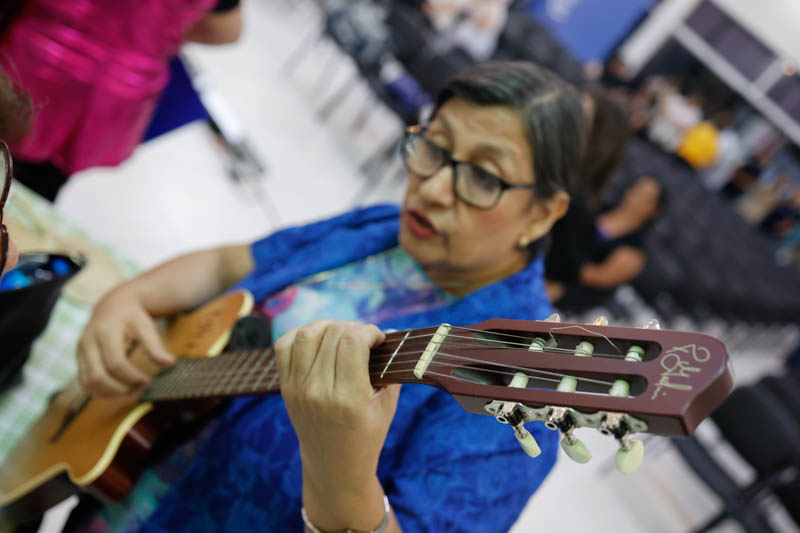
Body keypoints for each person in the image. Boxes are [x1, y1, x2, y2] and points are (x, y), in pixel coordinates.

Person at [71, 61, 584, 532]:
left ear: (541, 213)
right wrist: (128, 299)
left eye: (482, 175)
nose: (430, 189)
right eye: (434, 147)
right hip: (114, 495)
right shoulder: (381, 229)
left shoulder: (521, 392)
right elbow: (230, 263)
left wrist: (339, 464)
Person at [0, 0, 243, 202]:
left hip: (40, 57)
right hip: (119, 85)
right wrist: (154, 29)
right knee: (33, 188)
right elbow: (226, 29)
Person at [547, 175, 666, 309]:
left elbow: (598, 277)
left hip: (568, 292)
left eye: (645, 198)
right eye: (637, 190)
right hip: (550, 264)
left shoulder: (634, 251)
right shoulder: (597, 208)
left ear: (654, 210)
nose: (635, 198)